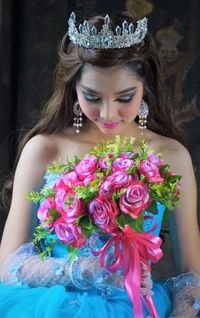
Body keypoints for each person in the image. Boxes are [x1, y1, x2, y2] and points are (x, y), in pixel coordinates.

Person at [0, 11, 199, 318]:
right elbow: (8, 265)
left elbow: (191, 273)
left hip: (137, 307)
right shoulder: (44, 149)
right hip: (51, 306)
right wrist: (86, 269)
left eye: (124, 98)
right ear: (74, 91)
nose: (108, 114)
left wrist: (182, 313)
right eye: (93, 96)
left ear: (145, 89)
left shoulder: (171, 155)